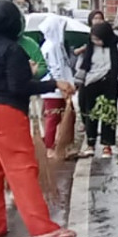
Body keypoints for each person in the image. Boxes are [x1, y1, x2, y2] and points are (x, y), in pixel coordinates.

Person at [0, 0, 75, 237]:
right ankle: (41, 227)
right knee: (21, 167)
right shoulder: (11, 49)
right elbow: (19, 86)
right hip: (3, 110)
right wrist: (54, 83)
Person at [75, 21, 118, 159]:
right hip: (91, 83)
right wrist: (78, 81)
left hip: (110, 84)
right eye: (94, 39)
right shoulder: (90, 47)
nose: (96, 42)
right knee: (90, 114)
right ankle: (90, 145)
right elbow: (83, 65)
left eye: (98, 39)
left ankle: (107, 146)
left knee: (108, 114)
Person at [39, 15, 74, 160]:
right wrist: (62, 87)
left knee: (60, 117)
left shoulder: (54, 45)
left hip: (58, 88)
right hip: (54, 90)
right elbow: (55, 69)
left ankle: (60, 145)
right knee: (53, 118)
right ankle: (50, 147)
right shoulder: (52, 46)